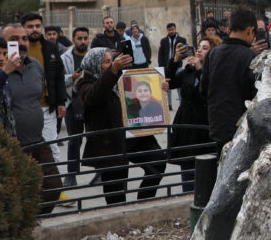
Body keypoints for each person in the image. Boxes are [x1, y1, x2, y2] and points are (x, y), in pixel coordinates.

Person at [76, 47, 167, 205]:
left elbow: (140, 93)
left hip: (133, 137)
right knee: (115, 189)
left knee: (158, 161)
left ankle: (144, 203)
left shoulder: (119, 77)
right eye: (106, 62)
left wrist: (160, 86)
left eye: (111, 60)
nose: (111, 64)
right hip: (110, 143)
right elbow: (95, 95)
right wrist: (114, 70)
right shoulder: (85, 83)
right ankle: (119, 220)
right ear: (95, 65)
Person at [0, 24, 64, 213]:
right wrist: (5, 70)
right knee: (19, 191)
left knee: (53, 187)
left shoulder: (35, 66)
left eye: (24, 39)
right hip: (12, 144)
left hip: (37, 139)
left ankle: (37, 220)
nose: (21, 43)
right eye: (14, 40)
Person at [203, 8, 261, 149]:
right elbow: (256, 95)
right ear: (250, 30)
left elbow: (204, 90)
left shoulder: (212, 54)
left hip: (217, 127)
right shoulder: (252, 57)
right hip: (242, 130)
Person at [22, 13, 68, 172]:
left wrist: (61, 102)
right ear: (24, 29)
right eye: (30, 27)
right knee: (26, 150)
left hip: (47, 107)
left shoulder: (50, 47)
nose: (34, 30)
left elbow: (59, 76)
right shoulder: (17, 48)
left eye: (37, 26)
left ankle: (57, 187)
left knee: (51, 147)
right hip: (24, 109)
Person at [166, 38, 214, 191]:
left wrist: (200, 67)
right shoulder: (189, 70)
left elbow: (207, 91)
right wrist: (175, 60)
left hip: (203, 127)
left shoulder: (214, 70)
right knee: (187, 170)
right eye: (198, 47)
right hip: (186, 126)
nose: (199, 50)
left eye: (204, 48)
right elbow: (169, 81)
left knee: (205, 171)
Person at [60, 26, 91, 188]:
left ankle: (102, 173)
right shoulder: (65, 58)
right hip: (73, 103)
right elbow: (59, 79)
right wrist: (72, 77)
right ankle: (71, 175)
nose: (83, 41)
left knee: (97, 138)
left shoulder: (95, 56)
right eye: (80, 38)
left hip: (93, 102)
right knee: (74, 141)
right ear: (73, 40)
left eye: (85, 38)